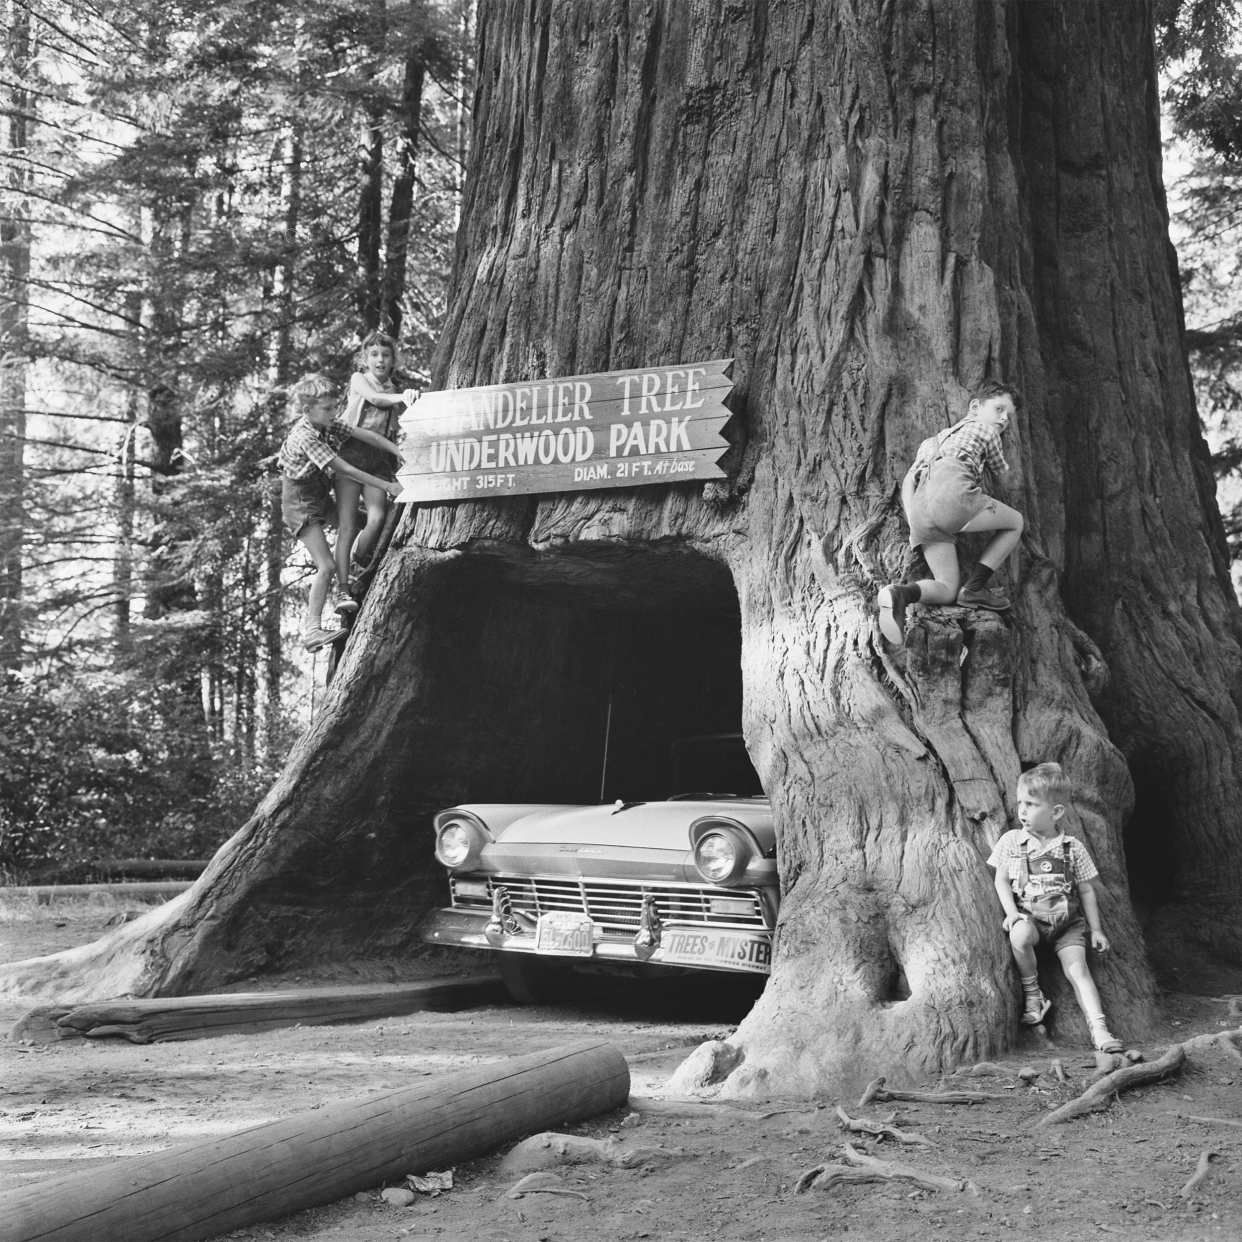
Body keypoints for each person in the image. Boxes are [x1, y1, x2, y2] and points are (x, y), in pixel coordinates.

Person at [987, 762, 1123, 1053]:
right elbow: (1001, 880)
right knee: (1018, 937)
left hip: (1067, 926)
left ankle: (1100, 1030)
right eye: (1020, 802)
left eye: (1032, 804)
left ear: (1056, 812)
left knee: (1078, 970)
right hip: (1031, 919)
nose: (1022, 810)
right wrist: (1012, 913)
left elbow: (1086, 889)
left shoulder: (1072, 847)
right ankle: (1033, 994)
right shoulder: (1012, 841)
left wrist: (1095, 929)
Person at [877, 380, 1025, 646]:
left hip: (921, 512)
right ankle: (976, 587)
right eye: (999, 409)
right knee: (1015, 522)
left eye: (1009, 416)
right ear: (975, 407)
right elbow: (1004, 481)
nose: (1004, 419)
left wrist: (915, 521)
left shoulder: (929, 443)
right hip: (953, 498)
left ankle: (901, 594)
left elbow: (909, 481)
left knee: (946, 588)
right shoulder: (985, 430)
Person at [278, 373, 402, 651]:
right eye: (328, 408)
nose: (335, 412)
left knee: (371, 523)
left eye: (336, 406)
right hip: (300, 502)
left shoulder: (328, 424)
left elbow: (367, 435)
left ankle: (360, 562)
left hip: (318, 496)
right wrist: (387, 485)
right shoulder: (305, 436)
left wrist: (399, 451)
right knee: (326, 565)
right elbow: (344, 468)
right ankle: (312, 631)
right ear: (308, 411)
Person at [333, 331, 408, 615]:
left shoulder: (392, 388)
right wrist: (403, 396)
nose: (380, 359)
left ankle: (358, 560)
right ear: (365, 359)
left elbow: (389, 428)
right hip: (350, 452)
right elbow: (375, 400)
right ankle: (342, 589)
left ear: (393, 360)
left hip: (378, 459)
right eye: (374, 354)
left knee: (377, 517)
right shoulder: (359, 380)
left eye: (386, 355)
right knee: (348, 525)